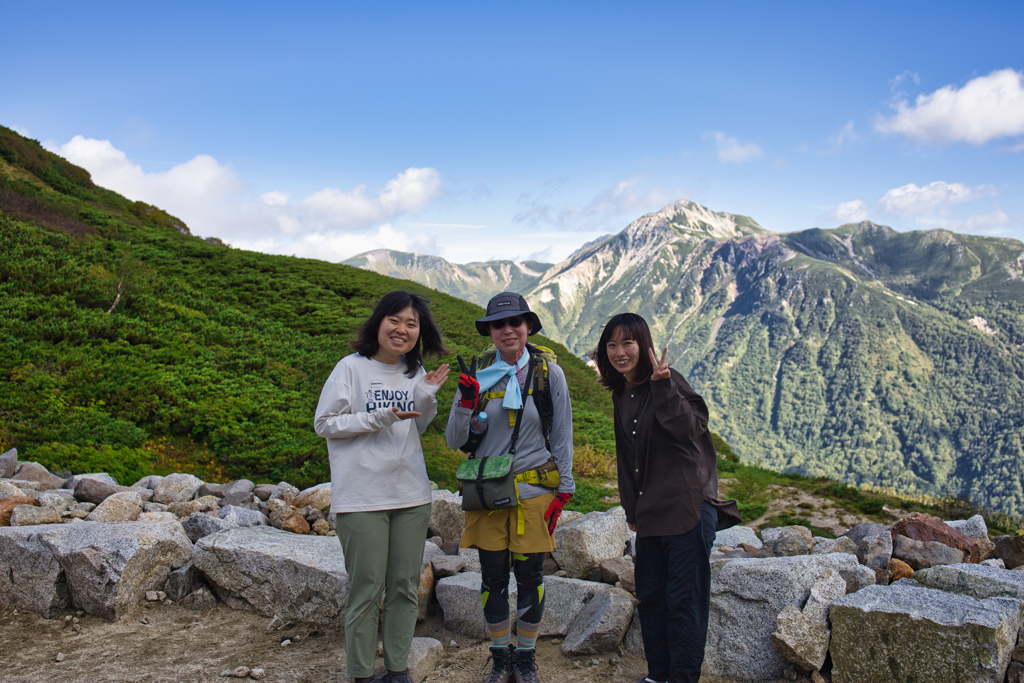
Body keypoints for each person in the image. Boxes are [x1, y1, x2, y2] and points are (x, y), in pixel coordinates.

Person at [592, 312, 738, 683]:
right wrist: (631, 510)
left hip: (687, 509)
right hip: (652, 513)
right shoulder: (622, 393)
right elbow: (626, 456)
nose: (620, 352)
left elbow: (690, 429)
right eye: (612, 345)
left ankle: (683, 678)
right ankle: (657, 676)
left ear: (645, 345)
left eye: (628, 343)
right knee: (653, 599)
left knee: (685, 603)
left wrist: (664, 386)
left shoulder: (668, 382)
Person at [314, 291, 450, 683]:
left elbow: (416, 426)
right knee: (366, 589)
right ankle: (360, 674)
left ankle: (397, 670)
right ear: (379, 322)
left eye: (412, 324)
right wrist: (379, 416)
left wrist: (423, 396)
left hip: (410, 492)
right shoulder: (351, 368)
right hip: (361, 496)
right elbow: (325, 424)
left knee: (406, 587)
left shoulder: (414, 369)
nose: (402, 329)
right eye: (395, 320)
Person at [445, 292, 575, 683]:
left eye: (516, 322)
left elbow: (563, 435)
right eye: (498, 324)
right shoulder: (477, 374)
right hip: (488, 494)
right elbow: (454, 440)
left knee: (531, 578)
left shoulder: (549, 374)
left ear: (529, 326)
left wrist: (564, 491)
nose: (508, 330)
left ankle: (525, 660)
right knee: (492, 579)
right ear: (489, 330)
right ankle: (500, 658)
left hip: (534, 492)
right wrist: (466, 402)